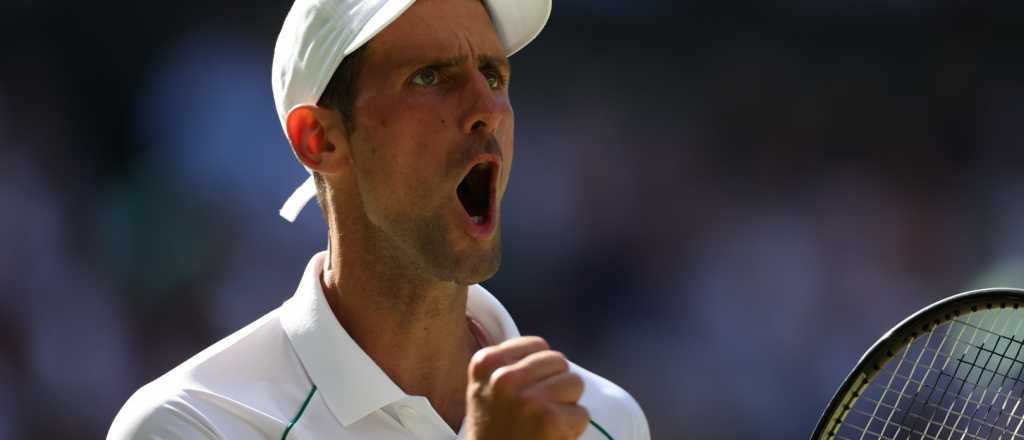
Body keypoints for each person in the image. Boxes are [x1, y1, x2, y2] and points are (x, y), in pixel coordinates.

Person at [108, 0, 650, 438]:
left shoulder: (605, 420)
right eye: (430, 77)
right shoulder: (191, 424)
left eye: (493, 72)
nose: (488, 107)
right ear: (319, 140)